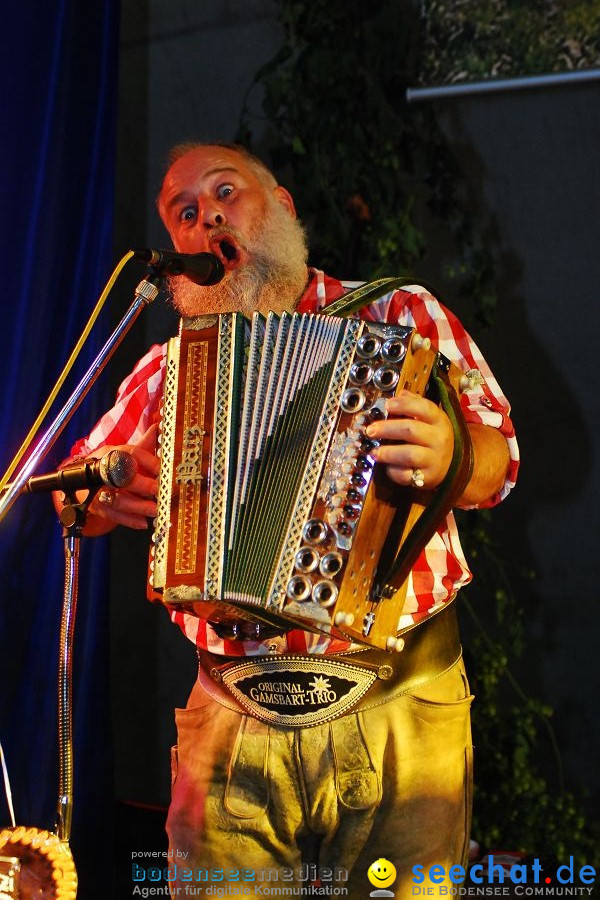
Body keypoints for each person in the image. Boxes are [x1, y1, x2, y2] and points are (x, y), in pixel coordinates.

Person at [61, 143, 518, 897]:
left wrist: (454, 454)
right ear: (177, 250)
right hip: (233, 716)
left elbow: (503, 460)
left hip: (399, 707)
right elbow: (75, 486)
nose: (206, 213)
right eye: (184, 211)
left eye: (225, 192)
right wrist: (99, 495)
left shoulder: (399, 312)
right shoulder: (170, 368)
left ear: (282, 208)